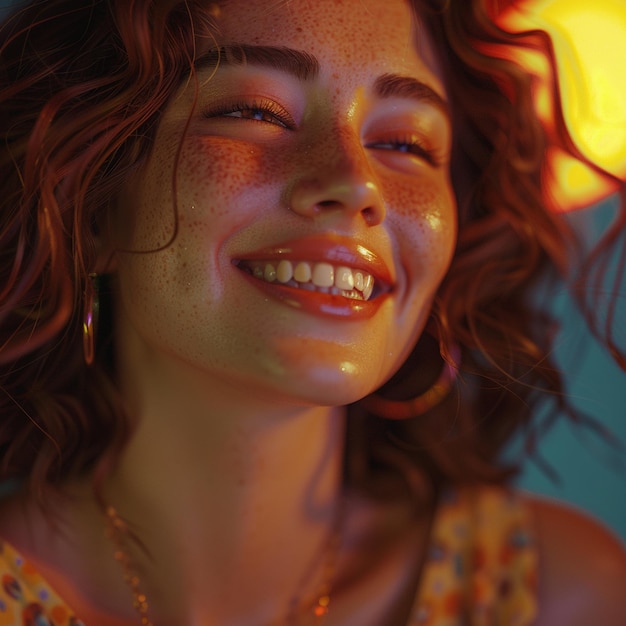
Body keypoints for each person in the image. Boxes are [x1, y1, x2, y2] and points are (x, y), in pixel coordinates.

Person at [0, 0, 625, 624]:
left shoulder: (558, 595)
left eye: (405, 143)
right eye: (255, 112)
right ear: (92, 206)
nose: (357, 184)